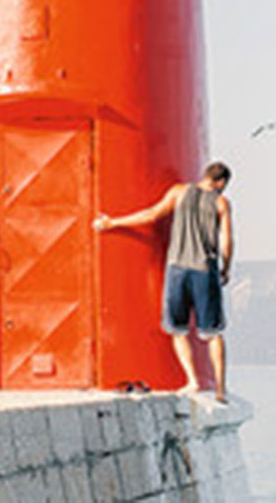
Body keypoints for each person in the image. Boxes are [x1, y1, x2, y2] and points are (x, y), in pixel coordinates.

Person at [94, 161, 234, 400]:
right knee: (212, 333)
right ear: (220, 183)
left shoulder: (178, 192)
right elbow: (227, 241)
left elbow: (151, 214)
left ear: (205, 176)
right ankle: (221, 389)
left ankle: (192, 381)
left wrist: (112, 223)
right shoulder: (221, 203)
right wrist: (226, 268)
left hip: (177, 268)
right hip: (204, 270)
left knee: (177, 330)